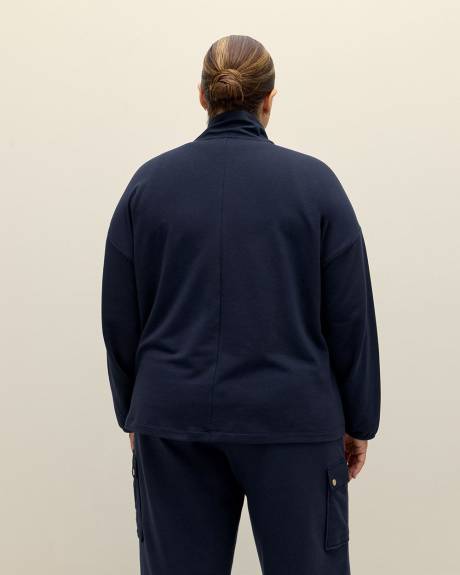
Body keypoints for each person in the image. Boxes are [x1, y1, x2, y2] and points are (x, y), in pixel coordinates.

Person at [101, 34, 381, 575]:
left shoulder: (149, 185)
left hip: (173, 417)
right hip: (294, 420)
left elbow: (119, 316)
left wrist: (134, 409)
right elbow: (351, 316)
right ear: (269, 99)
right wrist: (359, 419)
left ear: (202, 96)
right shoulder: (316, 186)